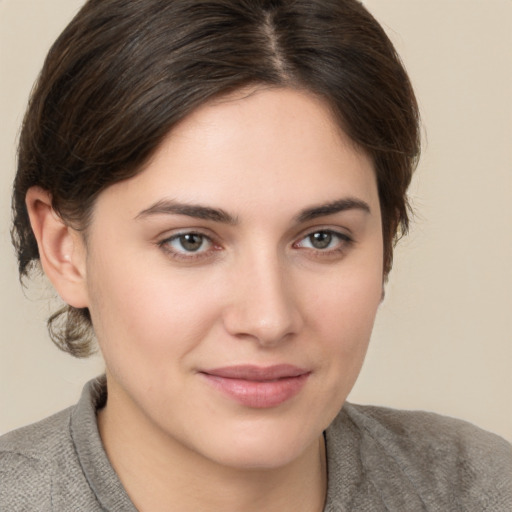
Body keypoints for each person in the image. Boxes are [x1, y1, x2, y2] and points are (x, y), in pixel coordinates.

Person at [1, 0, 510, 510]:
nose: (268, 320)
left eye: (322, 238)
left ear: (385, 242)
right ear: (64, 248)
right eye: (190, 241)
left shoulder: (484, 490)